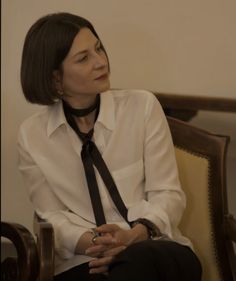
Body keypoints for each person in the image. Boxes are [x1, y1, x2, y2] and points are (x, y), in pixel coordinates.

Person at [18, 12, 202, 281]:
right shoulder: (32, 135)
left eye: (99, 48)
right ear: (55, 78)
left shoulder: (142, 107)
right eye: (84, 58)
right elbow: (51, 218)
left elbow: (168, 193)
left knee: (135, 262)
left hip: (155, 248)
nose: (101, 62)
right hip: (85, 260)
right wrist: (98, 244)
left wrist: (133, 236)